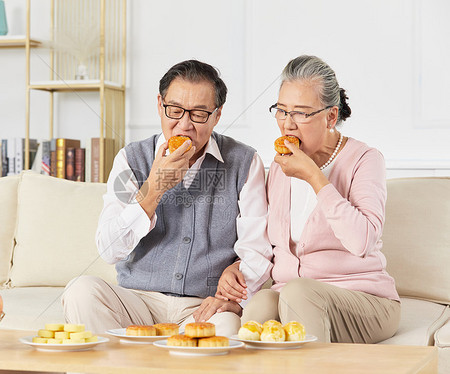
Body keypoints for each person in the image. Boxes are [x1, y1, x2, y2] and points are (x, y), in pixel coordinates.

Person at [62, 60, 273, 336]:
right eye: (174, 111)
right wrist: (155, 187)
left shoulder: (246, 162)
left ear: (217, 115)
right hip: (137, 301)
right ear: (159, 104)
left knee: (227, 325)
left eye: (199, 114)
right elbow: (109, 249)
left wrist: (233, 287)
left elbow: (257, 249)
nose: (184, 125)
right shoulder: (130, 158)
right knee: (81, 291)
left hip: (202, 307)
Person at [216, 55, 400, 343]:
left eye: (300, 113)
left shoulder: (365, 160)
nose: (288, 124)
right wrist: (236, 268)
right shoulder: (279, 166)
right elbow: (266, 243)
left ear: (330, 116)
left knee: (297, 292)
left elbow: (362, 242)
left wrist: (315, 178)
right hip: (289, 293)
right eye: (282, 111)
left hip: (362, 298)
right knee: (260, 307)